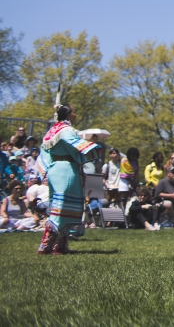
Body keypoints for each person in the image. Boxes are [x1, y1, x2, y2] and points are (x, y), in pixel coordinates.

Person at [38, 104, 103, 254]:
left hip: (56, 168)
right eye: (73, 112)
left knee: (61, 205)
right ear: (67, 115)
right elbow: (76, 144)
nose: (75, 115)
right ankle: (45, 245)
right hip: (66, 169)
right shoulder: (66, 131)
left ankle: (60, 245)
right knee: (61, 208)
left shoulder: (52, 131)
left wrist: (47, 170)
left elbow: (44, 152)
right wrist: (92, 147)